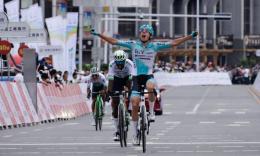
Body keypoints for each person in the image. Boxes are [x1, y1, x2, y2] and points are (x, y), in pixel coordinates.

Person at [91, 24, 198, 145]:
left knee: (150, 87)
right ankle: (135, 134)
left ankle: (151, 112)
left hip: (148, 76)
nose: (143, 32)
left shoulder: (155, 46)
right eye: (142, 31)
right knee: (135, 103)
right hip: (136, 78)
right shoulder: (133, 44)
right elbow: (114, 41)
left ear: (150, 35)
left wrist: (190, 36)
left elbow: (174, 43)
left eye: (146, 31)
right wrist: (98, 34)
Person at [107, 50, 134, 141]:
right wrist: (109, 92)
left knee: (131, 94)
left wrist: (128, 89)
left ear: (125, 61)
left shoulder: (129, 64)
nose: (120, 65)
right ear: (115, 61)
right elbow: (111, 80)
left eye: (122, 63)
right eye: (118, 63)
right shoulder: (112, 65)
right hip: (117, 79)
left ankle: (128, 112)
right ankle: (117, 130)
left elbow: (130, 79)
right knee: (115, 104)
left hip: (127, 78)